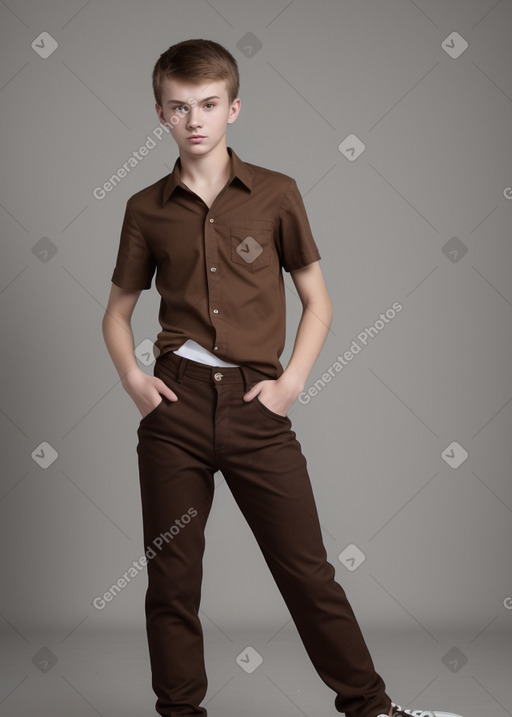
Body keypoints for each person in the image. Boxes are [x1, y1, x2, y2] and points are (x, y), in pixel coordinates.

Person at [102, 38, 463, 717]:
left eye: (209, 104)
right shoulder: (145, 209)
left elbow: (318, 301)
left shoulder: (276, 193)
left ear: (233, 106)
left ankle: (372, 709)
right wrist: (133, 377)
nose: (195, 120)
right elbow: (117, 314)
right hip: (173, 409)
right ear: (160, 114)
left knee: (307, 572)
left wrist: (292, 381)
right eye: (179, 107)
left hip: (254, 408)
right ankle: (179, 713)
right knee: (171, 581)